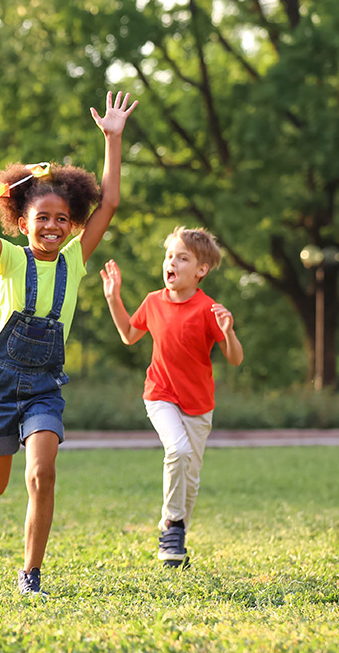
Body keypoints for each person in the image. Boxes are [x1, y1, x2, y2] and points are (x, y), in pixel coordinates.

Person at [0, 91, 138, 597]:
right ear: (22, 220)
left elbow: (113, 202)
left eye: (61, 219)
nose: (52, 226)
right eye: (42, 219)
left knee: (42, 473)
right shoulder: (8, 258)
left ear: (72, 222)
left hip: (43, 386)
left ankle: (31, 572)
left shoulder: (76, 259)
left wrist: (113, 140)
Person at [98, 227, 244, 568]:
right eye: (169, 256)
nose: (172, 262)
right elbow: (129, 335)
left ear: (201, 271)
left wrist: (229, 333)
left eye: (182, 257)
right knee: (176, 450)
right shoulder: (152, 302)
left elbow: (235, 359)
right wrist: (112, 297)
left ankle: (175, 538)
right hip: (160, 395)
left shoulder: (208, 310)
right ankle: (172, 524)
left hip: (199, 404)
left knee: (190, 479)